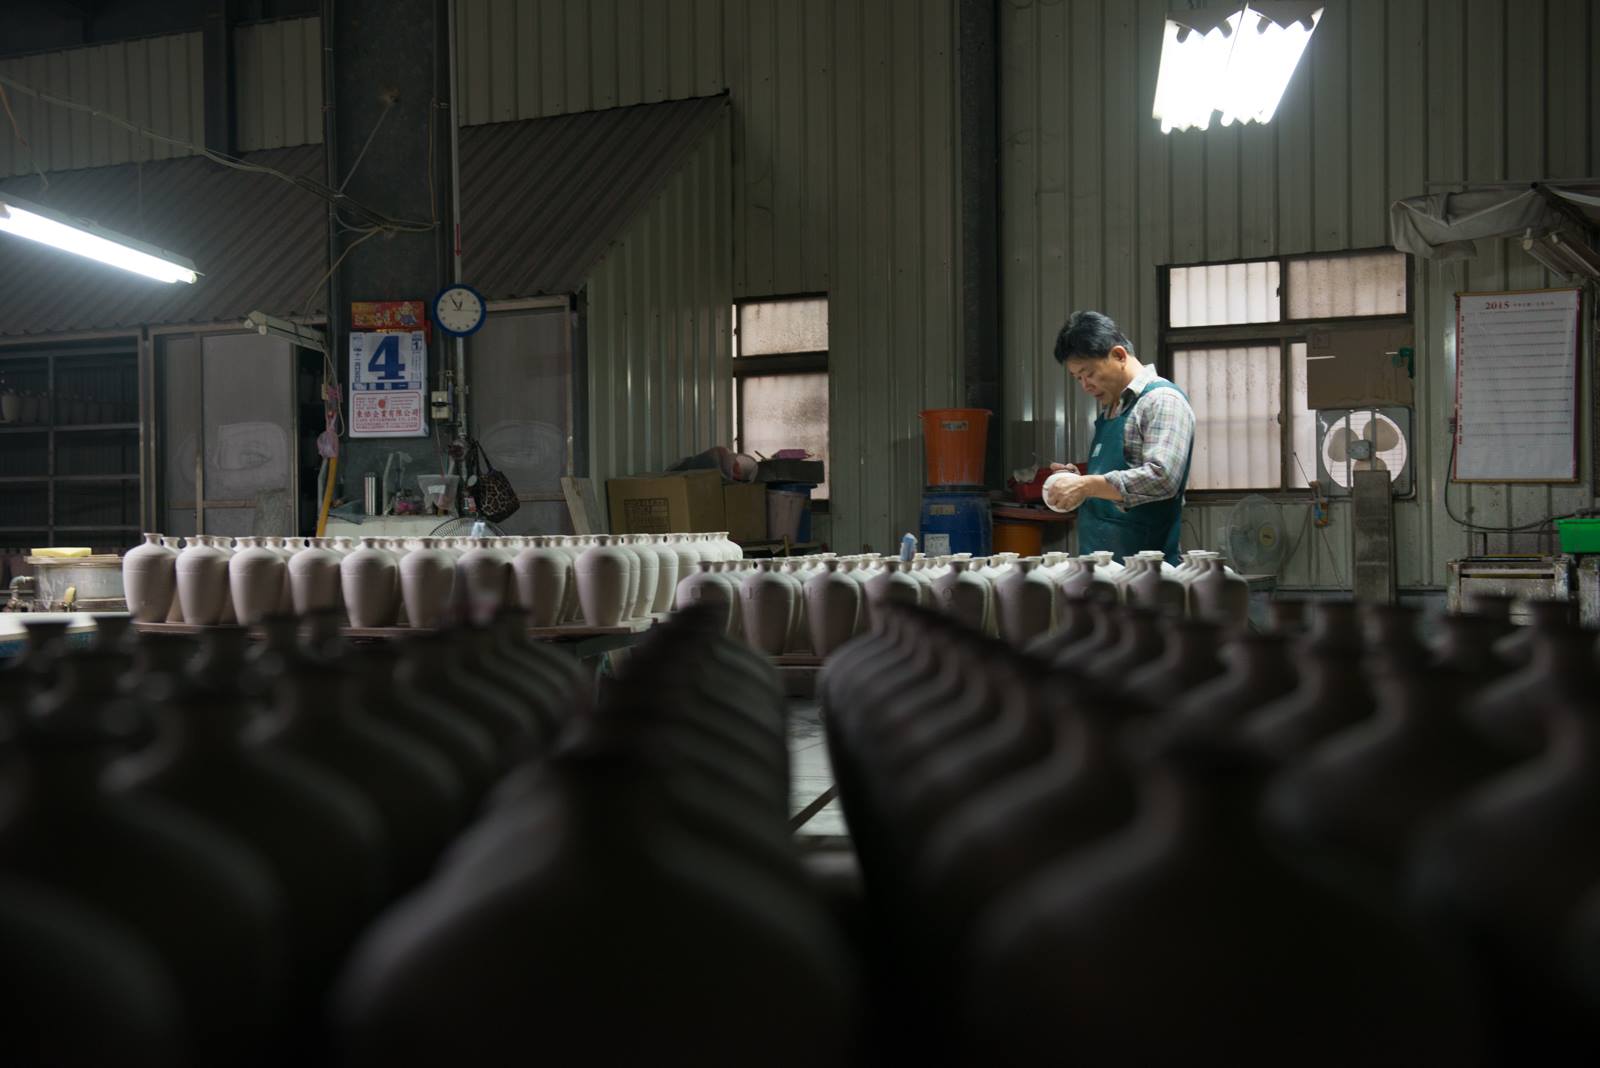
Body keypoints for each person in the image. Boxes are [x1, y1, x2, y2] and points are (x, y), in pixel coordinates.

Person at [1042, 310, 1195, 565]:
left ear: (1119, 355)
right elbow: (1113, 481)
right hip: (1101, 569)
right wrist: (1076, 482)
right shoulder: (1112, 410)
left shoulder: (1161, 401)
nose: (1085, 386)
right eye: (1078, 378)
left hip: (1146, 572)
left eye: (1088, 373)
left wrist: (1088, 485)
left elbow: (1163, 478)